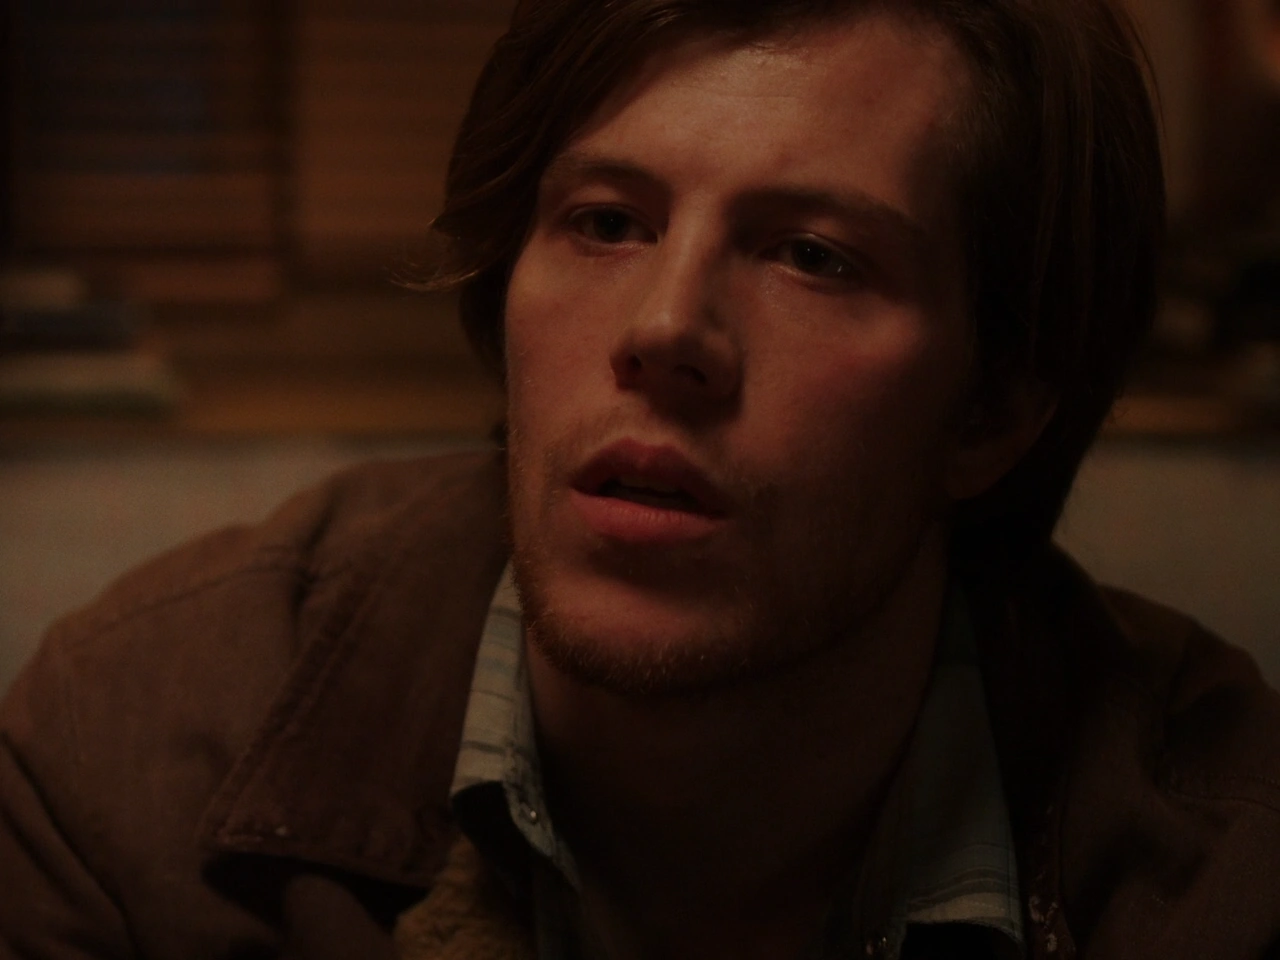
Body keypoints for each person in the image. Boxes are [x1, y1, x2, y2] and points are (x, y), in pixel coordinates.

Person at [3, 0, 1279, 957]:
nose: (663, 331)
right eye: (606, 222)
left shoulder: (1229, 861)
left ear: (990, 411)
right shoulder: (134, 756)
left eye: (812, 255)